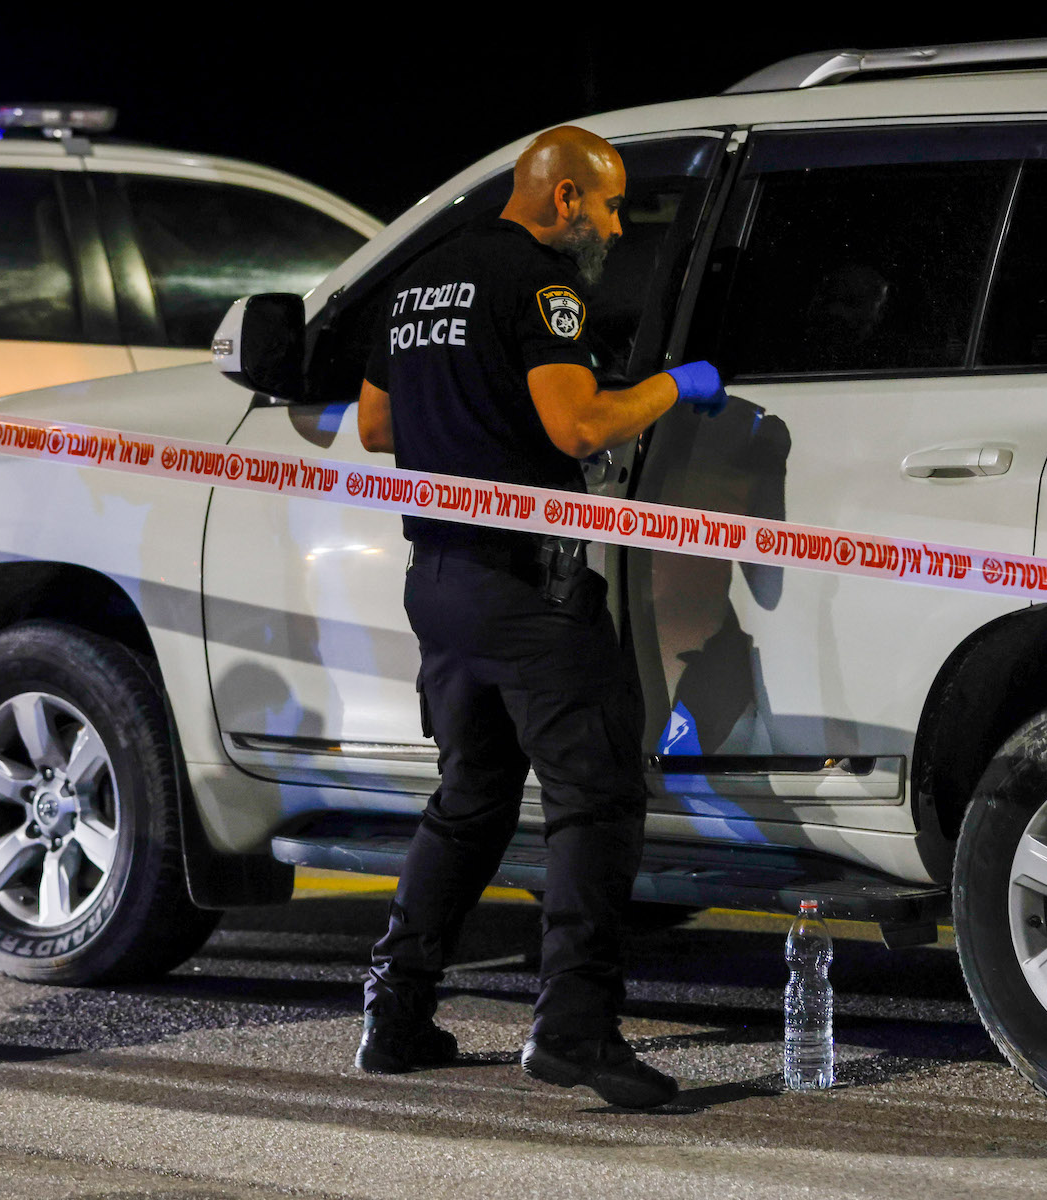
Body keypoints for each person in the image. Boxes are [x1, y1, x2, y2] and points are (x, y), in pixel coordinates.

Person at [353, 126, 726, 1110]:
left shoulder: (421, 279)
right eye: (606, 207)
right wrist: (674, 386)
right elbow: (582, 424)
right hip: (529, 588)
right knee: (595, 800)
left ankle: (395, 1018)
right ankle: (575, 1033)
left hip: (437, 580)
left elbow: (377, 425)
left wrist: (474, 419)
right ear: (563, 200)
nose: (611, 224)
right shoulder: (542, 286)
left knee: (471, 798)